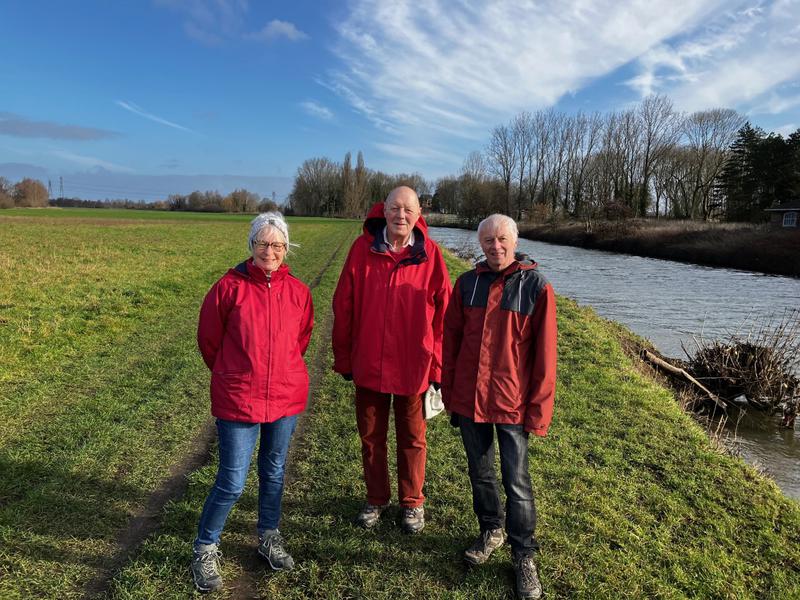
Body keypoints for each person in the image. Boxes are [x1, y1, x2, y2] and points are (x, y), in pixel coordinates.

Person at [191, 212, 314, 593]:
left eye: (277, 244)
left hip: (285, 396)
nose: (269, 251)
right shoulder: (228, 288)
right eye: (262, 243)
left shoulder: (299, 292)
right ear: (251, 245)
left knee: (274, 471)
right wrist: (235, 373)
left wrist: (280, 372)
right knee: (232, 480)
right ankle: (205, 547)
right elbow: (209, 341)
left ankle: (268, 535)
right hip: (239, 398)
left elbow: (302, 339)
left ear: (286, 248)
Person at [442, 214, 556, 600]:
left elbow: (545, 358)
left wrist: (538, 411)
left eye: (502, 239)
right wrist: (451, 395)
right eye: (488, 240)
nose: (496, 246)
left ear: (515, 241)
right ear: (480, 244)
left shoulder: (537, 287)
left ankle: (524, 555)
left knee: (517, 482)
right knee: (481, 474)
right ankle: (491, 529)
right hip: (470, 400)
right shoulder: (467, 284)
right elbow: (451, 343)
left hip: (512, 404)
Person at [332, 186, 451, 533]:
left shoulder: (430, 255)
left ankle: (412, 502)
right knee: (371, 437)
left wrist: (438, 366)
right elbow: (344, 305)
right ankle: (376, 497)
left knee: (413, 438)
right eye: (395, 208)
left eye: (408, 209)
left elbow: (444, 316)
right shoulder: (362, 250)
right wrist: (344, 358)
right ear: (383, 211)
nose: (401, 215)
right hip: (369, 361)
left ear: (418, 215)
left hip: (414, 365)